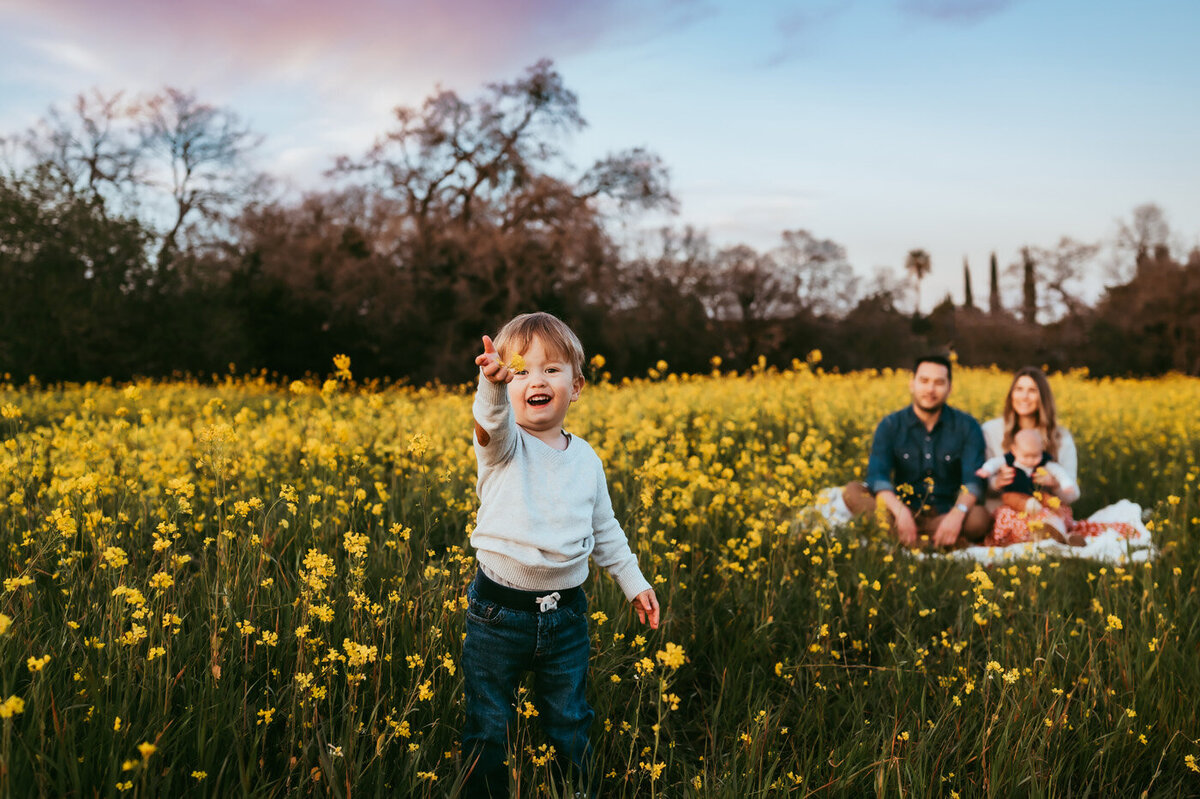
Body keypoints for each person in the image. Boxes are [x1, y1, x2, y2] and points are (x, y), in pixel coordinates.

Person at [463, 311, 660, 798]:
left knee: (570, 720)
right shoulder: (504, 447)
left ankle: (577, 791)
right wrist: (489, 387)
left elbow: (605, 529)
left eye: (552, 370)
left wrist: (633, 582)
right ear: (509, 384)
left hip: (566, 616)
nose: (537, 380)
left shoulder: (587, 459)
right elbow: (490, 423)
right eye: (521, 370)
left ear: (577, 387)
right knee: (489, 724)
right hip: (497, 614)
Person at [842, 354, 991, 547]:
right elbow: (878, 478)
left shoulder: (967, 426)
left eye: (939, 382)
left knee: (979, 518)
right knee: (852, 492)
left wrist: (956, 515)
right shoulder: (890, 425)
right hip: (901, 512)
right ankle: (934, 544)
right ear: (912, 384)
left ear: (949, 388)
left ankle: (910, 543)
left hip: (945, 513)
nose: (930, 389)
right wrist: (901, 512)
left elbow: (973, 482)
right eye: (924, 381)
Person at [981, 367, 1082, 545]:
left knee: (1050, 517)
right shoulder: (991, 431)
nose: (1024, 396)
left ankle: (1057, 537)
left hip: (1045, 508)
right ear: (1011, 394)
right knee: (1009, 517)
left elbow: (1072, 493)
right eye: (1019, 389)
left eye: (1032, 391)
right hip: (1006, 507)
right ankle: (1034, 539)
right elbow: (980, 483)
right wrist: (996, 483)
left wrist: (1055, 483)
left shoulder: (1061, 437)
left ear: (1043, 397)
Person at [976, 428, 1083, 546]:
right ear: (1014, 450)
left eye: (1035, 456)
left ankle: (1060, 534)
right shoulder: (1009, 460)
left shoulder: (1044, 462)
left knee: (1055, 509)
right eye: (1026, 456)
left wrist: (1065, 483)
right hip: (1015, 500)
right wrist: (987, 470)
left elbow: (1058, 471)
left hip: (1040, 500)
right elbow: (994, 463)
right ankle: (1016, 539)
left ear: (1041, 450)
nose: (1031, 461)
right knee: (1006, 514)